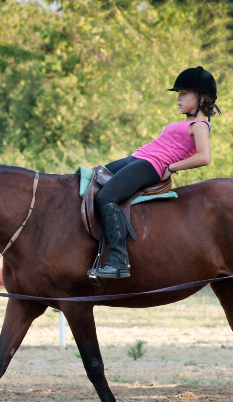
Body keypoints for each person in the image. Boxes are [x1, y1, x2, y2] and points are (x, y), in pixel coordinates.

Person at [89, 66, 219, 280]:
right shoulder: (186, 122)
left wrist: (171, 168)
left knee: (106, 197)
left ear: (202, 98)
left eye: (184, 94)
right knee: (91, 180)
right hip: (137, 158)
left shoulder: (200, 125)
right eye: (178, 94)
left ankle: (118, 261)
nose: (178, 98)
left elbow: (205, 157)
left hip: (152, 165)